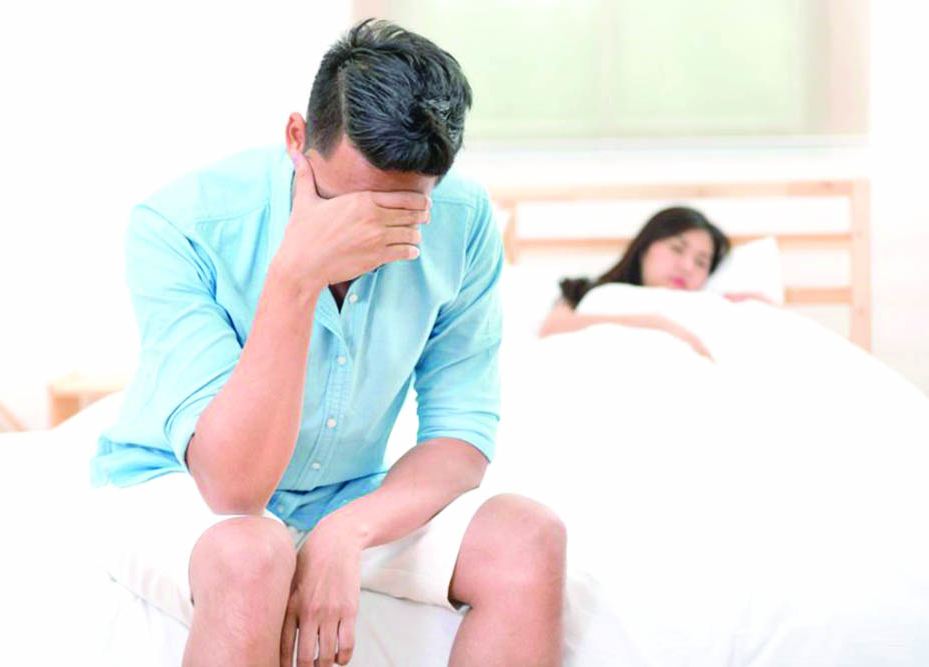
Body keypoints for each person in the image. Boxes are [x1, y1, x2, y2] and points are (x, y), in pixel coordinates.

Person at [90, 19, 566, 667]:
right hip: (178, 481)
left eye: (399, 215)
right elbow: (233, 490)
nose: (365, 235)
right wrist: (296, 276)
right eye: (346, 207)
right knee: (254, 554)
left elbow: (460, 436)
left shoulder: (463, 219)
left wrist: (349, 529)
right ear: (297, 140)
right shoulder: (181, 223)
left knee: (528, 537)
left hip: (346, 491)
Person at [539, 206, 767, 358]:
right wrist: (654, 323)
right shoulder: (582, 290)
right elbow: (553, 328)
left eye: (701, 262)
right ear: (644, 248)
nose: (687, 267)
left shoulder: (711, 305)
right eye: (677, 249)